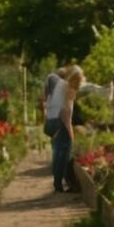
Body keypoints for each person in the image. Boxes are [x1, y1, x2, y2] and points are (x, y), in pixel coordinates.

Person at [44, 64, 84, 192]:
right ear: (73, 78)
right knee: (63, 156)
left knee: (58, 154)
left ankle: (58, 183)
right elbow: (64, 113)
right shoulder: (65, 87)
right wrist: (67, 129)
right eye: (78, 79)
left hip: (58, 124)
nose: (80, 82)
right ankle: (60, 184)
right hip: (62, 125)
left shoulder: (63, 88)